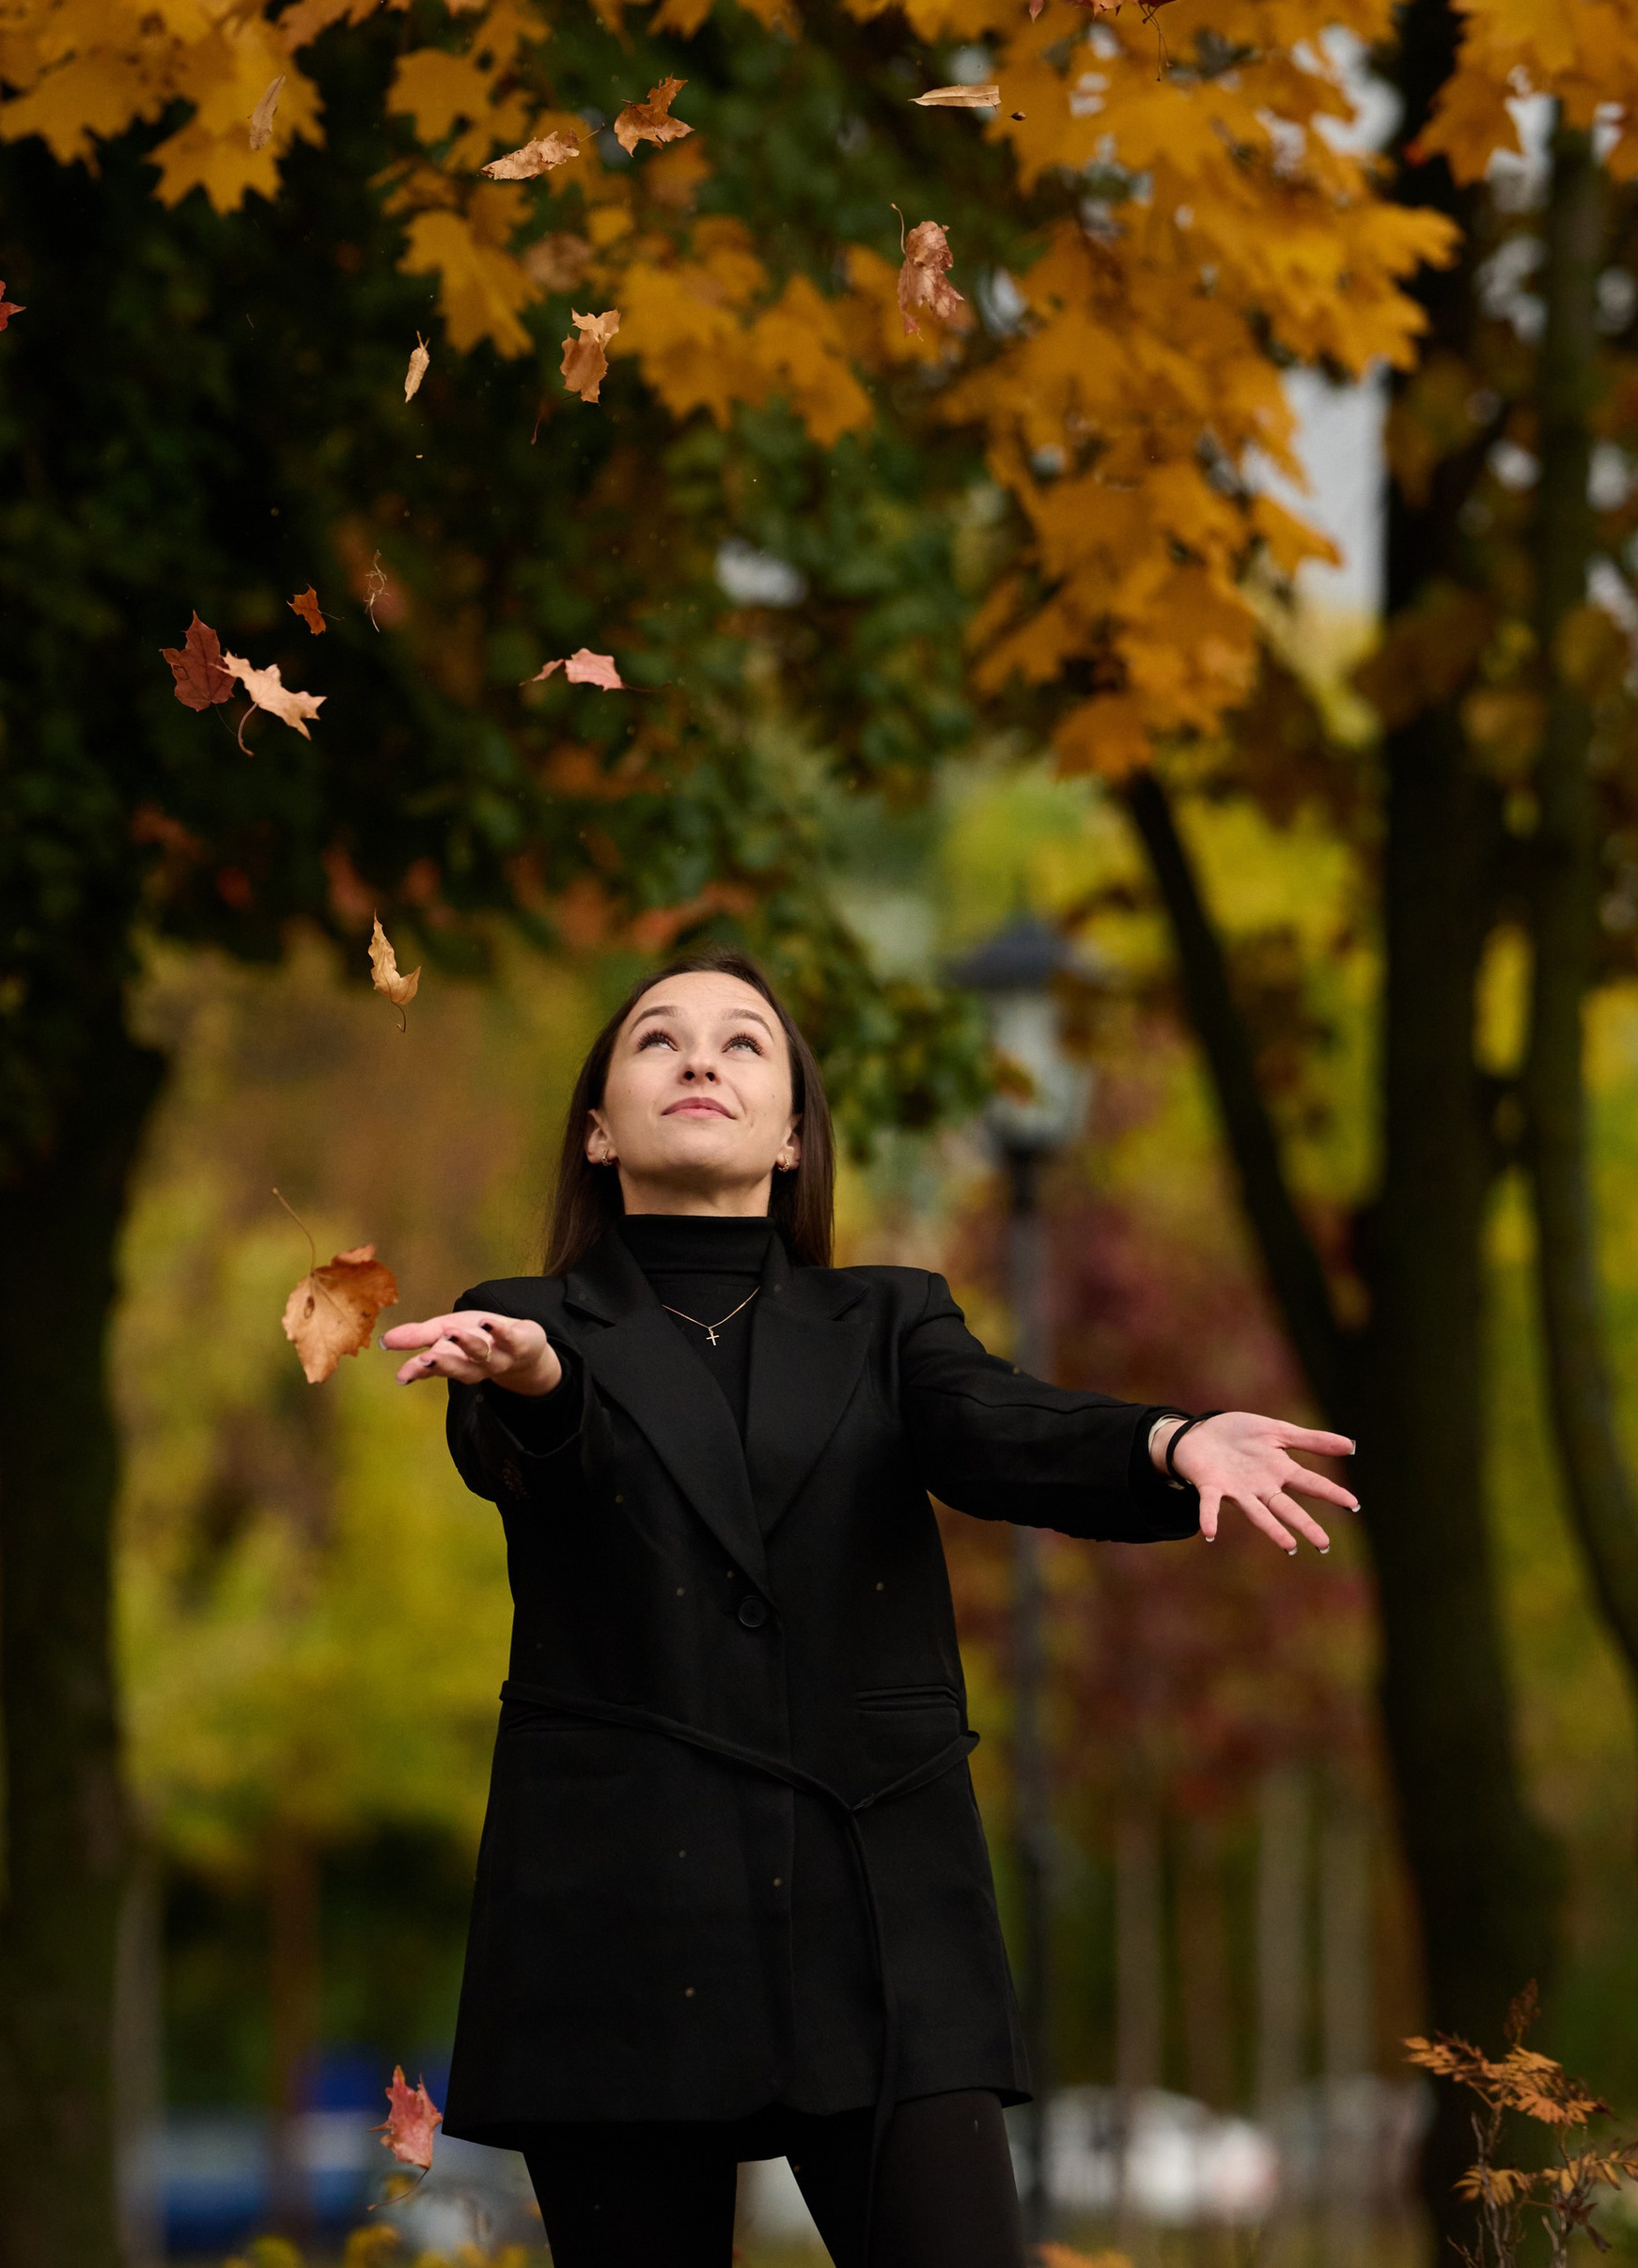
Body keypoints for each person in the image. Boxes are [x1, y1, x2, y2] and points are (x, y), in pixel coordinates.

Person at [383, 950, 1358, 2268]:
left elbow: (994, 1425)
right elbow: (530, 1460)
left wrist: (1167, 1441)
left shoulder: (889, 1323)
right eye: (658, 1040)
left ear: (792, 1136)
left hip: (878, 1912)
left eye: (743, 1045)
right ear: (599, 1130)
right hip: (617, 1914)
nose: (700, 1061)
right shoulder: (521, 1325)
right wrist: (546, 1388)